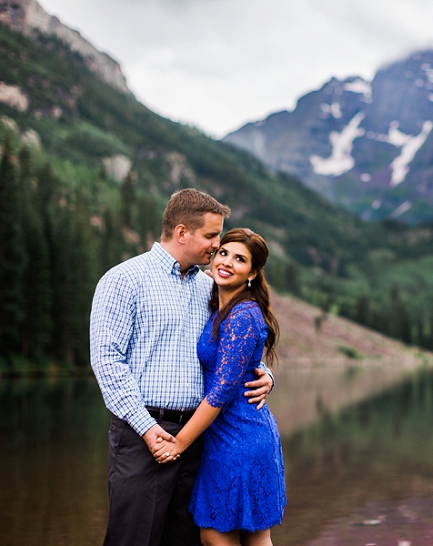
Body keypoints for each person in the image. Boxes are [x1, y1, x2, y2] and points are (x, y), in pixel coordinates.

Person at [90, 189, 275, 546]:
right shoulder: (125, 279)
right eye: (211, 237)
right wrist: (147, 429)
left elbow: (236, 349)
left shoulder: (208, 287)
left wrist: (266, 374)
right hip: (144, 432)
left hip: (200, 436)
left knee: (187, 539)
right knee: (134, 538)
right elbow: (107, 361)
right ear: (181, 232)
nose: (216, 246)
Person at [153, 228, 286, 546]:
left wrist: (179, 443)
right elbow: (241, 365)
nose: (226, 261)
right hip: (228, 435)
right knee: (252, 536)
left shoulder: (242, 315)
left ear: (252, 273)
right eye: (224, 252)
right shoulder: (221, 307)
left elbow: (222, 389)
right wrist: (266, 373)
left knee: (216, 535)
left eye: (240, 259)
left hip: (240, 437)